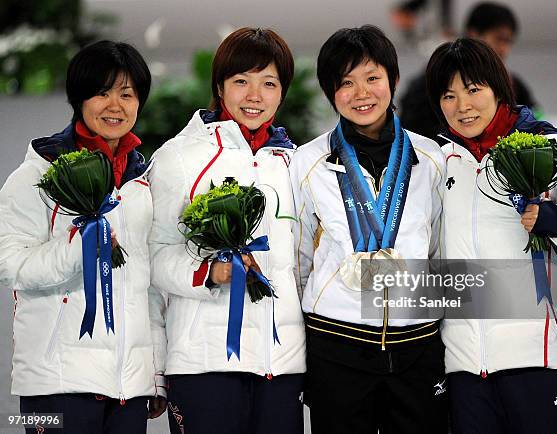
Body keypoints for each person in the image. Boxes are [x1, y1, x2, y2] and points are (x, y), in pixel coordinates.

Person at [425, 37, 557, 434]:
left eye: (474, 90)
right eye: (448, 95)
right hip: (465, 366)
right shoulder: (438, 163)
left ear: (499, 87)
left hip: (543, 360)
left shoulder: (553, 148)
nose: (462, 107)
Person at [147, 27, 306, 434]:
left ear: (282, 92)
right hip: (204, 363)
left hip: (281, 366)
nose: (255, 96)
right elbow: (154, 257)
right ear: (220, 87)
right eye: (241, 82)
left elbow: (303, 264)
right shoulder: (180, 157)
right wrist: (209, 272)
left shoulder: (294, 164)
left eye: (268, 83)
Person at [290, 25, 447, 434]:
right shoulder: (307, 163)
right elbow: (300, 258)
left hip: (417, 344)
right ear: (331, 92)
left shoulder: (430, 158)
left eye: (372, 78)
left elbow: (438, 250)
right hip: (336, 342)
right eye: (346, 83)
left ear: (392, 81)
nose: (361, 94)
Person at [0, 40, 163, 434]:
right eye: (102, 92)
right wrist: (79, 248)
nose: (115, 105)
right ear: (79, 98)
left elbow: (149, 286)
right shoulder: (37, 174)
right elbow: (11, 265)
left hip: (128, 385)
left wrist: (154, 375)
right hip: (53, 382)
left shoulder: (143, 182)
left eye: (127, 94)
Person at [400, 1, 539, 141]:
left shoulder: (514, 84)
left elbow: (537, 116)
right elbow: (411, 134)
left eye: (508, 42)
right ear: (474, 34)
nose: (504, 49)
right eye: (499, 39)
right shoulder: (432, 81)